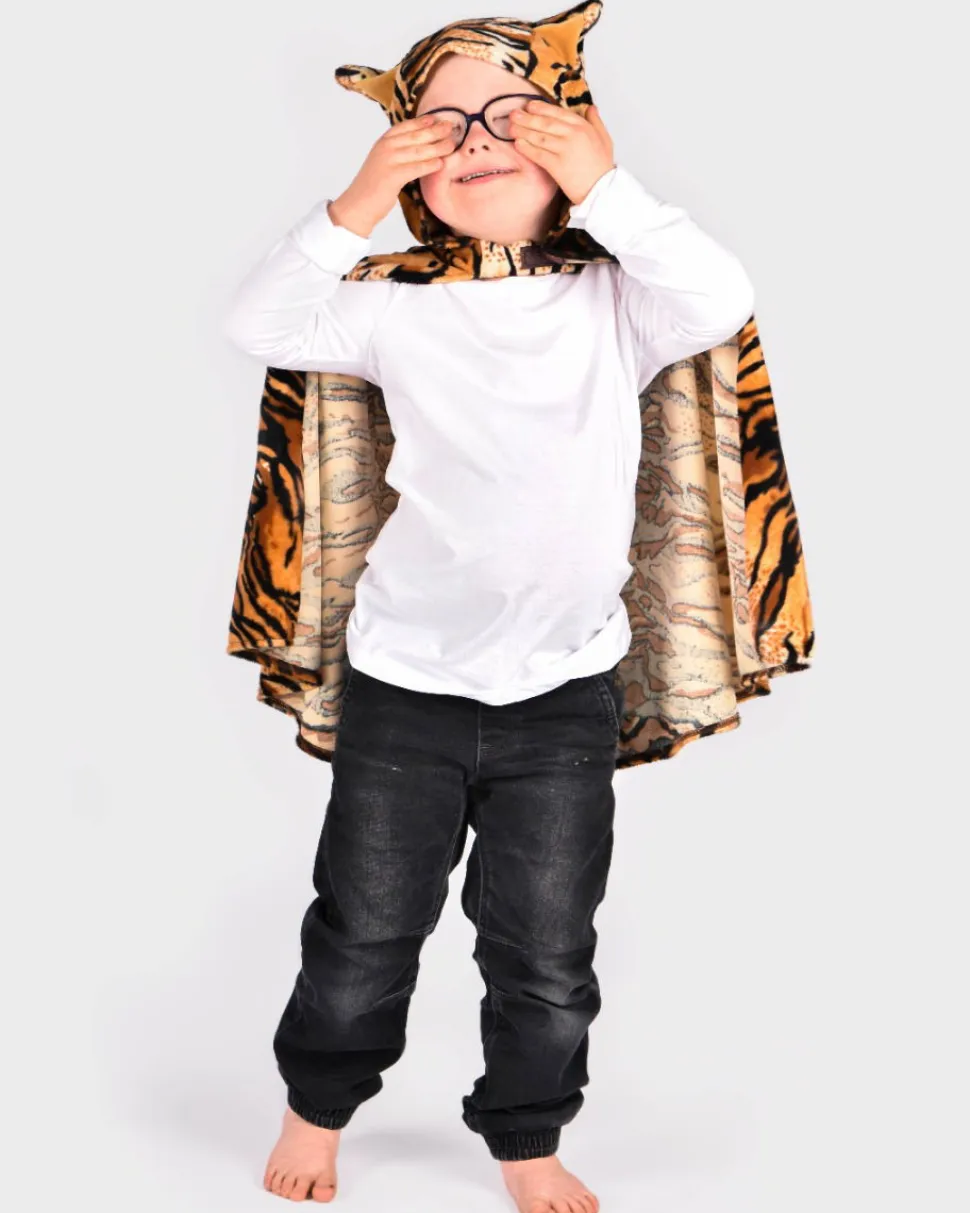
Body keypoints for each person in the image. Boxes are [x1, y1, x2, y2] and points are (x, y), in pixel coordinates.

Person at [223, 20, 754, 1212]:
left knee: (546, 949)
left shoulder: (618, 302)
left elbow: (720, 294)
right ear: (412, 166)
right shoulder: (390, 309)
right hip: (404, 688)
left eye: (509, 118)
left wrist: (606, 183)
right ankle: (317, 1107)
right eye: (441, 125)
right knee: (364, 929)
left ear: (568, 140)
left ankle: (526, 1134)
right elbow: (260, 324)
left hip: (560, 694)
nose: (474, 140)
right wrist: (358, 200)